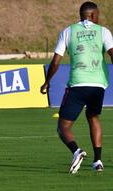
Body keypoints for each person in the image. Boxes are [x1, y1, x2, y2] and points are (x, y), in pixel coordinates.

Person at [40, 1, 113, 174]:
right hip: (98, 85)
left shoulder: (68, 31)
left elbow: (56, 60)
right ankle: (98, 161)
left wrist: (47, 81)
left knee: (63, 127)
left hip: (78, 84)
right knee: (93, 117)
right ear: (93, 15)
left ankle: (76, 151)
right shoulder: (103, 31)